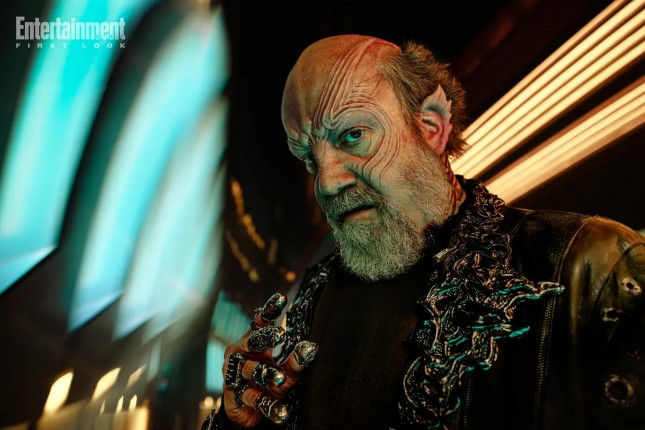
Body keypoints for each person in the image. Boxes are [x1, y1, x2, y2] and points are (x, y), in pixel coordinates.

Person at [202, 34, 645, 430]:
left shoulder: (589, 263)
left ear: (430, 126)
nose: (327, 182)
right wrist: (241, 420)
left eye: (353, 136)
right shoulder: (316, 291)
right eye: (309, 159)